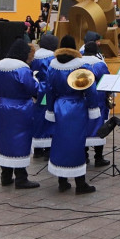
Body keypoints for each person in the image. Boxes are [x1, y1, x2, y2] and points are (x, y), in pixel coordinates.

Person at [45, 35, 98, 194]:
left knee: (60, 141)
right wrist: (93, 107)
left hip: (59, 106)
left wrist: (50, 109)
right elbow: (90, 89)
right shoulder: (81, 66)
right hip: (76, 107)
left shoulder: (52, 66)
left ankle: (62, 181)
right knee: (77, 142)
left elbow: (49, 89)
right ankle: (80, 184)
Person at [0, 39, 41, 189]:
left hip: (4, 106)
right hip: (21, 109)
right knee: (21, 140)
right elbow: (33, 88)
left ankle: (5, 175)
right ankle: (21, 177)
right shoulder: (22, 69)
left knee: (6, 140)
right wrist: (38, 81)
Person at [80, 41, 111, 167]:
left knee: (83, 125)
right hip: (97, 98)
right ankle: (98, 157)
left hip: (81, 97)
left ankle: (84, 156)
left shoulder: (78, 63)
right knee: (99, 125)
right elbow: (106, 79)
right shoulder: (98, 64)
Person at [30, 34, 58, 160]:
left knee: (38, 117)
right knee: (49, 116)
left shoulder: (34, 56)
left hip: (37, 91)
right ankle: (48, 149)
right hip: (48, 92)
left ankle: (37, 148)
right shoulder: (52, 58)